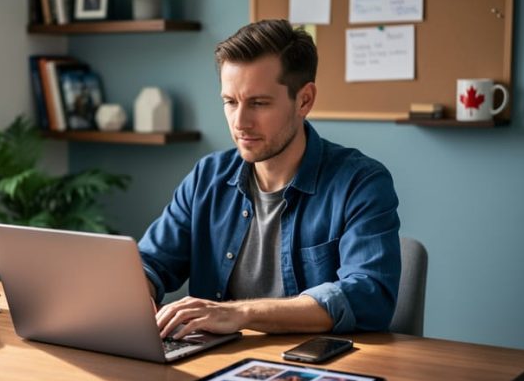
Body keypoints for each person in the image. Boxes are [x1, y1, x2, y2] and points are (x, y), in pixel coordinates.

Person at [138, 20, 401, 340]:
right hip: (211, 364)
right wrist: (137, 289)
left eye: (258, 103)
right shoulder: (207, 177)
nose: (240, 122)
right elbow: (150, 262)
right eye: (230, 102)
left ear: (304, 100)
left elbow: (368, 295)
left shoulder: (361, 183)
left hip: (316, 372)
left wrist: (239, 313)